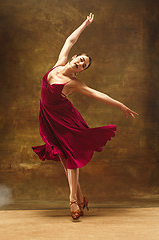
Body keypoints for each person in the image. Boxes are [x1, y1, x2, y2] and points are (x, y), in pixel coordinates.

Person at [32, 13, 138, 220]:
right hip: (49, 118)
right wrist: (85, 24)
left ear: (80, 71)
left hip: (66, 121)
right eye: (80, 59)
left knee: (71, 157)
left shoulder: (74, 83)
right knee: (64, 157)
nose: (80, 63)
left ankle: (72, 200)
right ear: (74, 58)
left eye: (83, 65)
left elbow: (99, 95)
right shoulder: (59, 63)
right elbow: (69, 41)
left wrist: (121, 105)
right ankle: (81, 198)